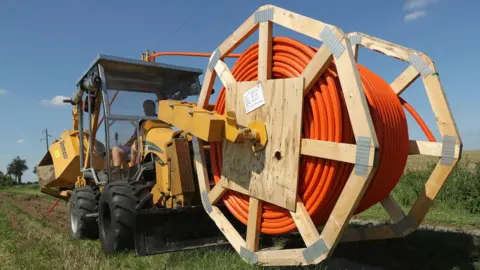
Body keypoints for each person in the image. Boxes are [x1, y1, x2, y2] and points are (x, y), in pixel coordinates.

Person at [111, 99, 157, 180]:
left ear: (154, 108)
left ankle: (132, 172)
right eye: (145, 108)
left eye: (148, 108)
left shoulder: (159, 120)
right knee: (115, 149)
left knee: (134, 147)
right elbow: (135, 136)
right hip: (139, 144)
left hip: (150, 145)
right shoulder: (142, 122)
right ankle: (117, 172)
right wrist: (126, 144)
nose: (146, 110)